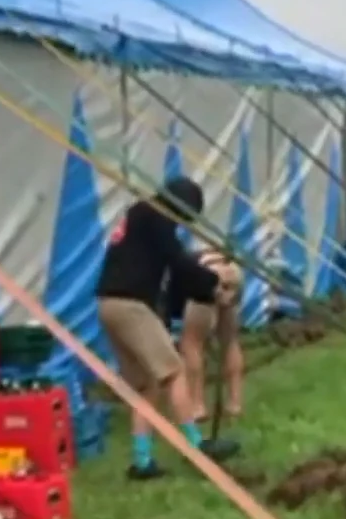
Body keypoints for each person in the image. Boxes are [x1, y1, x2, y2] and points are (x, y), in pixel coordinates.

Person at [94, 177, 240, 479]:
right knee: (174, 371)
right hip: (130, 305)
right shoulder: (156, 217)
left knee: (147, 384)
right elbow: (179, 262)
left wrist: (207, 291)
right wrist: (214, 283)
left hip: (108, 304)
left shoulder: (141, 215)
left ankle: (142, 460)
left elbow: (172, 271)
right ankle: (196, 447)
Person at [167, 248, 246, 431]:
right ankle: (235, 402)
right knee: (230, 341)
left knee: (191, 344)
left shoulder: (167, 271)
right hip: (230, 267)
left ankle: (197, 405)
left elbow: (172, 310)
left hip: (205, 273)